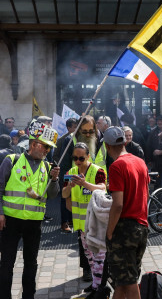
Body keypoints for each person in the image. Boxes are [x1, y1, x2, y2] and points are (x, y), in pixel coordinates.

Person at [0, 119, 60, 299]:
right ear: (34, 144)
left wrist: (54, 180)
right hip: (10, 220)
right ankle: (4, 296)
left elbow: (52, 195)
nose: (47, 150)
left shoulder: (47, 166)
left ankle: (28, 295)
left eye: (49, 147)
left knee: (31, 263)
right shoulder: (11, 160)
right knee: (7, 262)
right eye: (45, 146)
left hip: (34, 223)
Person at [105, 127, 150, 299]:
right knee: (124, 279)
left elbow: (117, 205)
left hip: (124, 230)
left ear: (107, 146)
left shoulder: (117, 166)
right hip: (142, 226)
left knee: (128, 281)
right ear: (125, 142)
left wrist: (109, 231)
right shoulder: (140, 162)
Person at [61, 142, 107, 292]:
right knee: (90, 257)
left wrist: (85, 183)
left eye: (81, 158)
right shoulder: (71, 172)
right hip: (81, 224)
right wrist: (70, 187)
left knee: (99, 256)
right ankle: (97, 283)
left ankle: (98, 286)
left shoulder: (97, 171)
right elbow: (64, 194)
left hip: (96, 222)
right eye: (75, 158)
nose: (78, 161)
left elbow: (103, 188)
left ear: (88, 156)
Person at [58, 115, 107, 233]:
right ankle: (66, 222)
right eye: (84, 131)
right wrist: (67, 197)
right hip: (76, 183)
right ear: (78, 129)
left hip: (98, 182)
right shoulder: (69, 140)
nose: (88, 135)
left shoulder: (102, 139)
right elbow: (65, 167)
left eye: (91, 131)